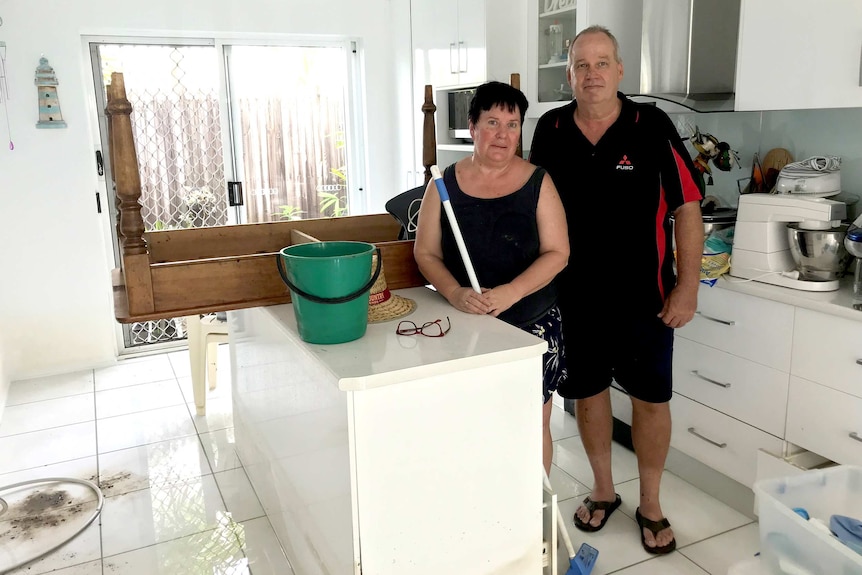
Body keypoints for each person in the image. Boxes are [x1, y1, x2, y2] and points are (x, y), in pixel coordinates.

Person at [529, 26, 703, 555]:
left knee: (651, 400)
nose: (592, 74)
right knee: (586, 395)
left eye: (602, 63)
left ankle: (650, 502)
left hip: (644, 299)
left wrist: (688, 288)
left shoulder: (651, 126)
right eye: (582, 66)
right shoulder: (551, 129)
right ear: (570, 75)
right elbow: (530, 204)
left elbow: (687, 208)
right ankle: (604, 491)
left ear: (620, 70)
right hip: (573, 299)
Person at [413, 81, 570, 477]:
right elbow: (425, 252)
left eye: (513, 125)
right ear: (473, 126)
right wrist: (453, 292)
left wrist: (510, 292)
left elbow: (559, 253)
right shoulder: (442, 184)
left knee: (532, 424)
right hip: (467, 326)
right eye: (493, 122)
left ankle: (534, 514)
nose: (503, 134)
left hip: (530, 324)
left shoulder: (539, 182)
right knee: (473, 423)